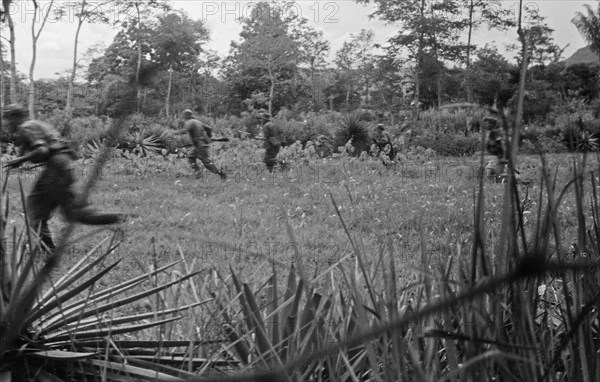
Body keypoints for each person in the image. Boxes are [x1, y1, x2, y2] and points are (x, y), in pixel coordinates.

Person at [2, 104, 124, 252]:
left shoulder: (26, 126)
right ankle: (118, 218)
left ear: (15, 117)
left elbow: (42, 150)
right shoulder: (35, 124)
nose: (6, 123)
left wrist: (20, 160)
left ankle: (46, 248)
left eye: (7, 118)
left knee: (35, 206)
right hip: (64, 165)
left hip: (56, 167)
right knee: (74, 213)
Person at [174, 109, 226, 180]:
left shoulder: (190, 122)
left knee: (207, 163)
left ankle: (221, 173)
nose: (183, 117)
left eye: (184, 115)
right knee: (190, 157)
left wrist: (173, 133)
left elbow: (185, 130)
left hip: (200, 145)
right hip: (199, 145)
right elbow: (209, 129)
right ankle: (198, 174)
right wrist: (209, 136)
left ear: (187, 115)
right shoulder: (198, 122)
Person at [483, 117, 507, 182]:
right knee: (493, 173)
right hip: (495, 157)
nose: (485, 126)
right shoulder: (492, 132)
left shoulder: (494, 132)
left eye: (487, 124)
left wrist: (503, 157)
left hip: (498, 157)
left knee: (493, 173)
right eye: (484, 124)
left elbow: (502, 144)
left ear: (492, 124)